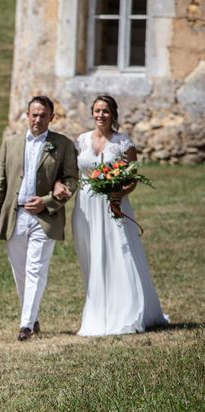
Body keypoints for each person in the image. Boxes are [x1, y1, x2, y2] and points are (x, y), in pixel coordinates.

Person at [63, 95, 168, 336]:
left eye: (106, 111)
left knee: (120, 251)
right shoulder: (81, 141)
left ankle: (129, 311)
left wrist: (119, 193)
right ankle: (98, 309)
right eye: (97, 111)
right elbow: (72, 172)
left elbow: (132, 179)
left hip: (114, 204)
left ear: (113, 114)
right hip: (86, 206)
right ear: (92, 113)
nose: (101, 115)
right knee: (91, 255)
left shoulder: (124, 143)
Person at [0, 96, 78, 341]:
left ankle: (25, 326)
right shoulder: (10, 144)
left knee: (36, 269)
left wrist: (48, 200)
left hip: (44, 219)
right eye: (34, 115)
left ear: (52, 117)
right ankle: (33, 316)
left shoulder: (63, 144)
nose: (38, 119)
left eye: (43, 115)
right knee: (20, 272)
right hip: (15, 216)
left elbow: (72, 180)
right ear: (27, 116)